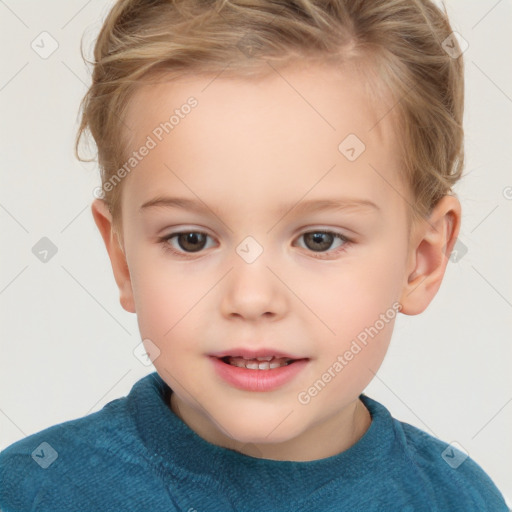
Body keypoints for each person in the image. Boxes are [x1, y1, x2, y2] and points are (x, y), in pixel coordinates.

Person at [0, 0, 508, 510]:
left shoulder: (459, 499)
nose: (250, 297)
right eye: (190, 239)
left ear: (421, 259)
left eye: (319, 240)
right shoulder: (32, 492)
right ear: (123, 257)